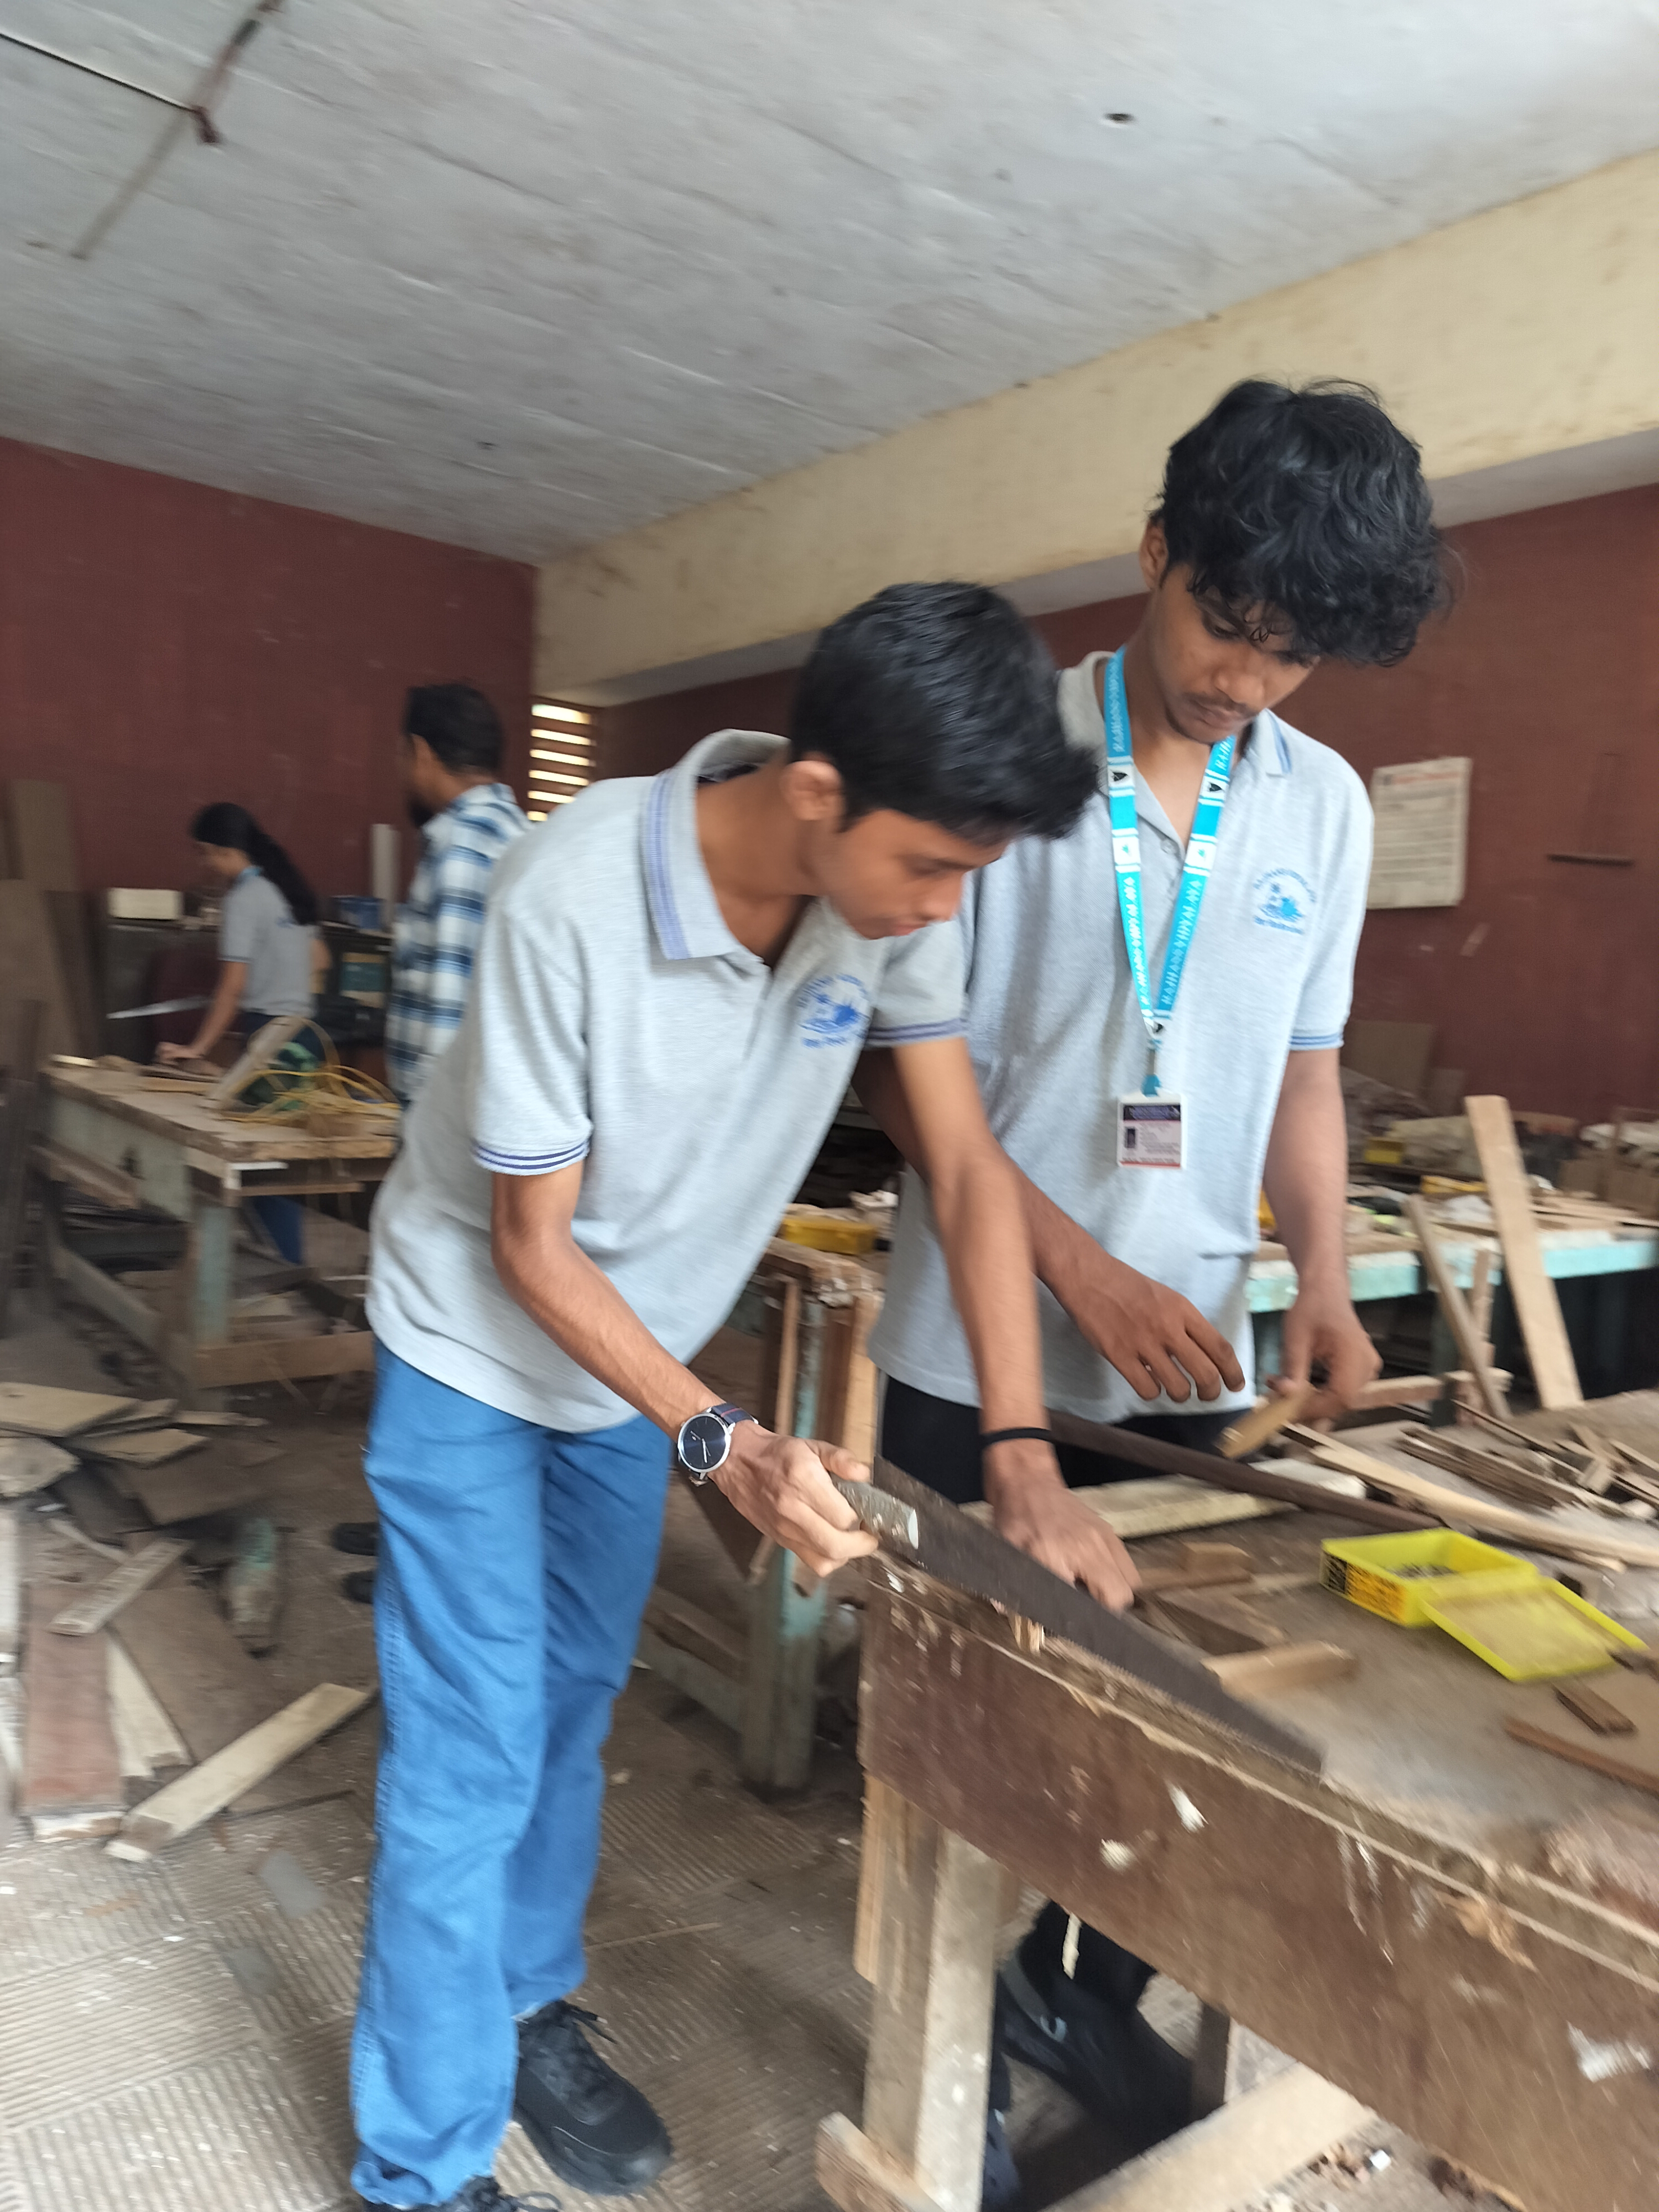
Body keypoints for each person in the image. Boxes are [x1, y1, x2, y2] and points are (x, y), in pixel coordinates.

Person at [352, 582, 1131, 2212]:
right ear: (818, 792)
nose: (938, 913)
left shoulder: (891, 895)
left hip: (616, 1372)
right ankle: (418, 2161)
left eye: (966, 879)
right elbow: (526, 1244)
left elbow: (966, 1163)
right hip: (480, 1344)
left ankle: (523, 2005)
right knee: (471, 1749)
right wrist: (720, 1433)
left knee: (572, 1700)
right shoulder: (565, 894)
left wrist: (1018, 1448)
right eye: (928, 868)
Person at [861, 380, 1452, 2200]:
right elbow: (916, 1081)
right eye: (1224, 625)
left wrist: (1330, 1294)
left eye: (1294, 657)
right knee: (971, 1729)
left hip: (1192, 1353)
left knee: (1169, 1720)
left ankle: (1071, 1987)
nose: (1246, 681)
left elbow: (1303, 1074)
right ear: (1152, 555)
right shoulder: (997, 757)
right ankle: (936, 2053)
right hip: (986, 1347)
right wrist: (1085, 1273)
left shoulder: (1327, 811)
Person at [159, 800, 326, 1264]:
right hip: (306, 1035)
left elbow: (230, 988)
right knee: (281, 1162)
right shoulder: (289, 887)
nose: (205, 865)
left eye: (205, 854)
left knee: (260, 1164)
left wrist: (196, 1048)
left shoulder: (243, 900)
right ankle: (283, 1265)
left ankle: (287, 1269)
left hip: (272, 1037)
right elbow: (320, 962)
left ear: (223, 851)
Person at [385, 682, 528, 1110]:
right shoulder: (515, 833)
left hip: (447, 1119)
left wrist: (427, 1133)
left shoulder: (462, 848)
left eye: (401, 756)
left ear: (421, 753)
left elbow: (451, 996)